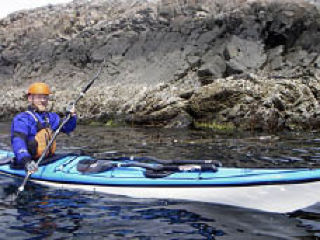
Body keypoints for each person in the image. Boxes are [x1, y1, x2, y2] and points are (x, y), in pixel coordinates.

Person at [10, 82, 77, 172]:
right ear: (30, 98)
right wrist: (26, 161)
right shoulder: (22, 119)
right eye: (39, 97)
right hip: (30, 162)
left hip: (49, 159)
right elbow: (18, 142)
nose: (42, 100)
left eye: (45, 97)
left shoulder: (51, 117)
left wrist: (71, 116)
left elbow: (68, 128)